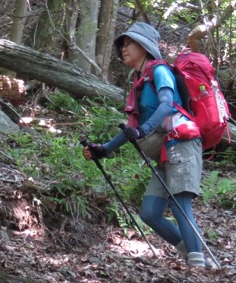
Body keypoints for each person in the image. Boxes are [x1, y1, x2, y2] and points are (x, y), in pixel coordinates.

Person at [83, 22, 215, 269]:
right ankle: (195, 254)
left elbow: (166, 106)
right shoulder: (140, 80)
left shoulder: (160, 71)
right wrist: (106, 149)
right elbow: (131, 126)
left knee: (179, 204)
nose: (124, 48)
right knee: (151, 213)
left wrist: (142, 130)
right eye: (122, 44)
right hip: (166, 151)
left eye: (129, 42)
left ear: (145, 46)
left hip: (183, 145)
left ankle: (198, 267)